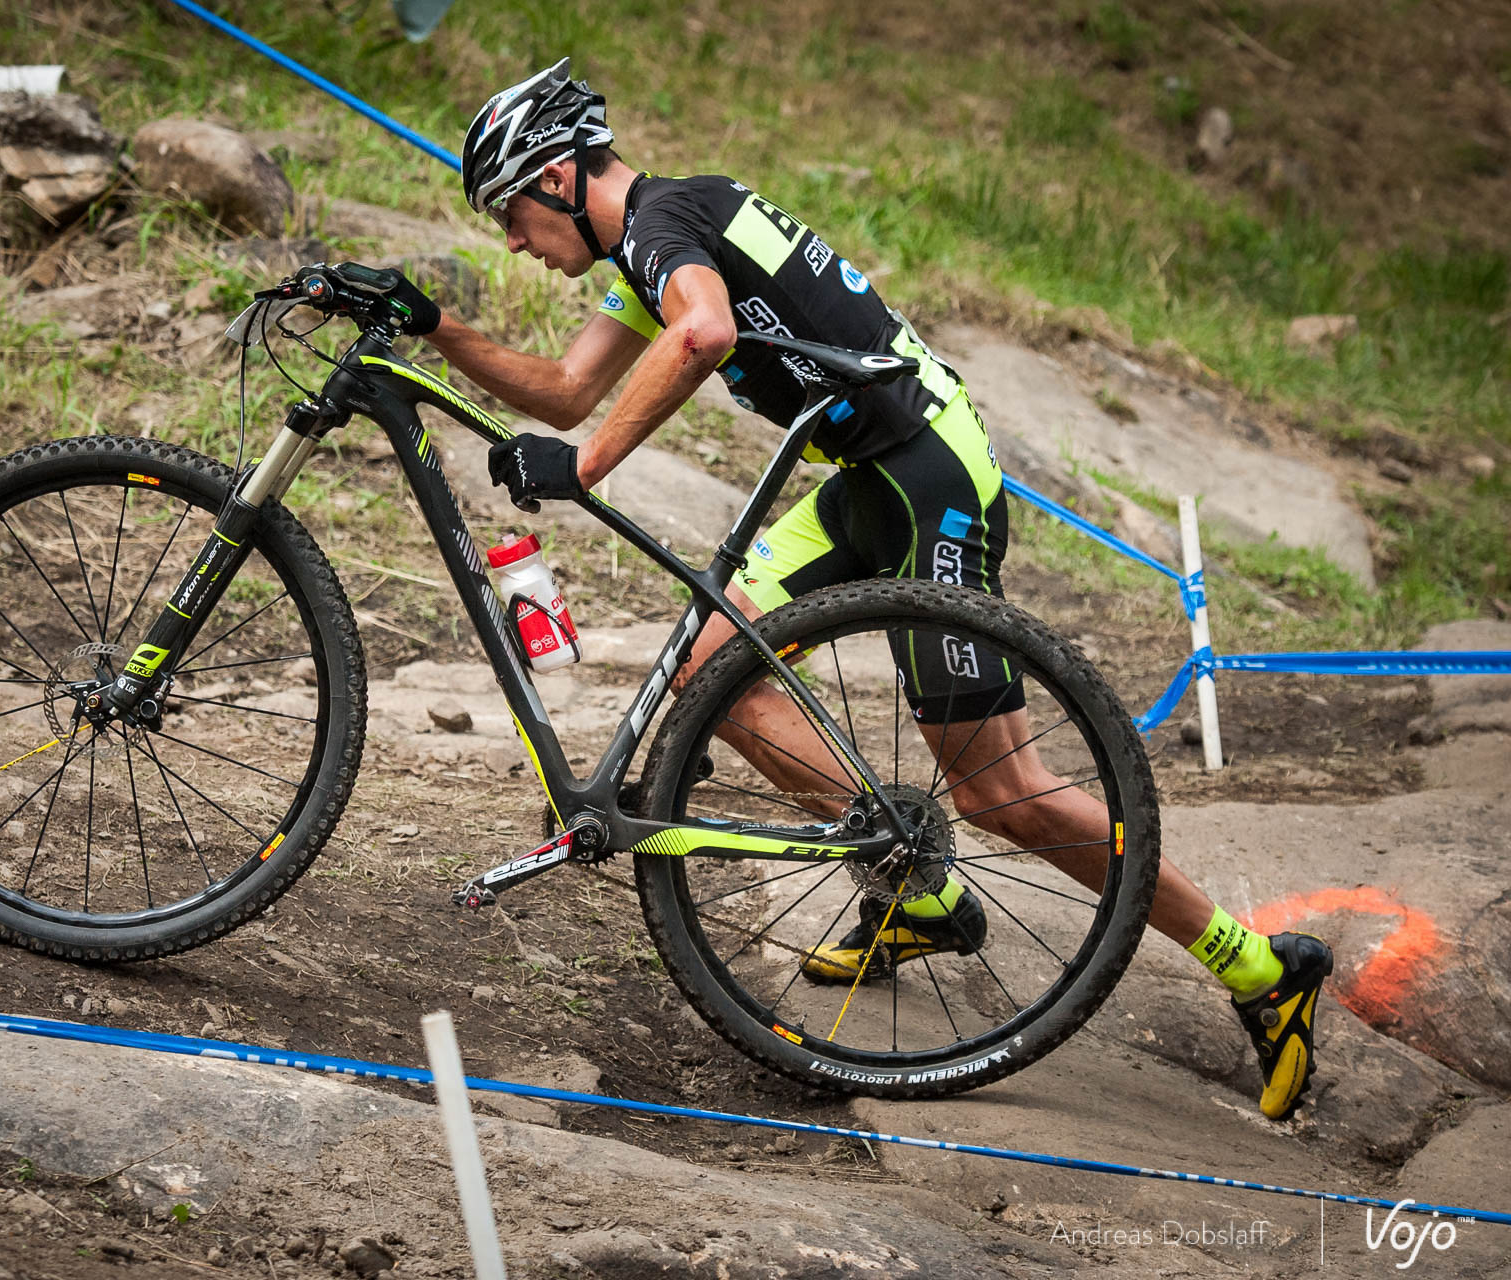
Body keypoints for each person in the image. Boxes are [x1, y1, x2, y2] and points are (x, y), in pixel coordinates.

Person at [377, 59, 1331, 1121]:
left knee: (996, 792)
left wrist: (588, 465)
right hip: (873, 474)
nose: (511, 237)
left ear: (555, 178)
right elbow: (562, 388)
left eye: (509, 211)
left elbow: (702, 333)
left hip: (927, 476)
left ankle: (1258, 964)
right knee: (707, 670)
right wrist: (434, 327)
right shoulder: (656, 238)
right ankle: (917, 887)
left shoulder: (661, 227)